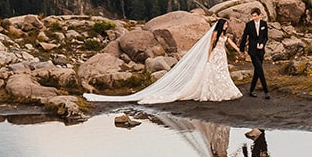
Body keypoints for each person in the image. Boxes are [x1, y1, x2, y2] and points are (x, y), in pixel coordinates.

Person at [84, 19, 241, 105]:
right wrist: (208, 57)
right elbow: (209, 47)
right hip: (215, 55)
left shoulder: (224, 35)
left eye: (227, 24)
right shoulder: (214, 33)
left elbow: (230, 43)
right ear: (221, 25)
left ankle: (223, 90)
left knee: (222, 73)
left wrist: (239, 50)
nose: (227, 26)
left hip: (222, 56)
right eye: (225, 24)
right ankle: (210, 91)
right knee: (212, 72)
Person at [242, 6, 270, 98]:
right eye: (252, 16)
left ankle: (251, 90)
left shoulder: (264, 24)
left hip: (261, 50)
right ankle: (266, 91)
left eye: (255, 16)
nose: (253, 18)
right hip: (252, 50)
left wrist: (262, 44)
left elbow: (265, 37)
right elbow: (244, 36)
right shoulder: (249, 25)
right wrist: (241, 49)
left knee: (257, 71)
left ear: (259, 15)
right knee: (260, 70)